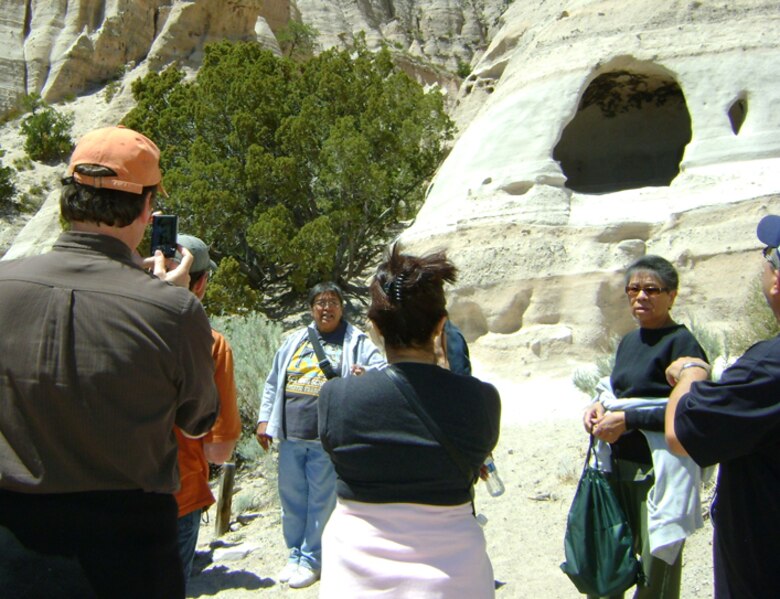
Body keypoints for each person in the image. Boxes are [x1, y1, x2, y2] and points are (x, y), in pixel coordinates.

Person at [0, 126, 219, 599]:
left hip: (12, 546)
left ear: (67, 200)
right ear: (146, 210)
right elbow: (199, 422)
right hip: (129, 555)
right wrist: (171, 304)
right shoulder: (174, 310)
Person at [318, 245, 501, 598]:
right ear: (441, 325)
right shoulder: (482, 401)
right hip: (454, 579)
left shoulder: (337, 398)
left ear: (374, 327)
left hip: (355, 577)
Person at [664, 214, 780, 598]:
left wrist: (692, 371)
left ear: (777, 281)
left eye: (767, 256)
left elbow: (682, 432)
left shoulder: (769, 367)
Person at [582, 255, 708, 599]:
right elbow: (617, 391)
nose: (641, 297)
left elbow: (689, 410)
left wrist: (630, 420)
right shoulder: (628, 342)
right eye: (633, 289)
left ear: (672, 295)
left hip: (656, 473)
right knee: (611, 561)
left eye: (651, 290)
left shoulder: (682, 345)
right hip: (618, 470)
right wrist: (597, 408)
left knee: (657, 573)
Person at [255, 282, 384, 589]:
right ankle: (295, 553)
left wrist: (365, 375)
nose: (327, 308)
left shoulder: (356, 341)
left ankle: (313, 558)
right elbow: (274, 381)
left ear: (342, 307)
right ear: (311, 308)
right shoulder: (296, 339)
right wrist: (264, 419)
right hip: (290, 434)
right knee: (292, 497)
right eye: (320, 303)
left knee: (321, 499)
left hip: (326, 436)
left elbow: (381, 368)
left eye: (333, 302)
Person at [174, 234, 242, 585]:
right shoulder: (212, 345)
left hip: (101, 490)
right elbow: (219, 452)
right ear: (200, 283)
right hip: (177, 492)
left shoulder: (108, 323)